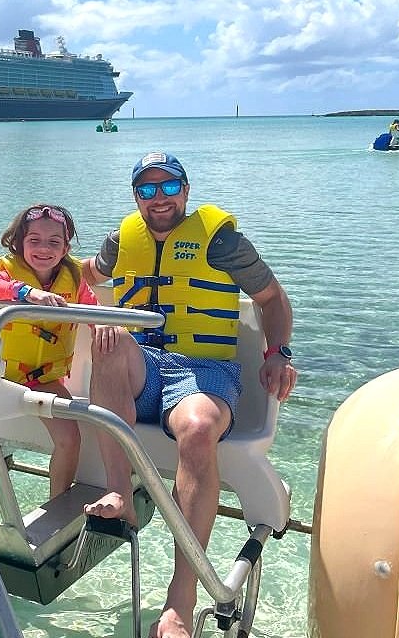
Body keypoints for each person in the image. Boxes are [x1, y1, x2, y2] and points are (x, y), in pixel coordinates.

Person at [81, 152, 297, 638]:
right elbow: (86, 273)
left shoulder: (221, 240)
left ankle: (181, 598)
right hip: (142, 364)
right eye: (147, 190)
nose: (158, 199)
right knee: (109, 341)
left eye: (168, 187)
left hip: (203, 370)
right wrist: (27, 270)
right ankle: (121, 492)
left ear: (186, 189)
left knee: (198, 430)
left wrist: (278, 352)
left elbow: (272, 299)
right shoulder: (122, 240)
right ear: (136, 195)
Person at [0, 203, 116, 508]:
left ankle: (56, 506)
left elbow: (91, 304)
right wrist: (25, 293)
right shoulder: (6, 276)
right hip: (0, 376)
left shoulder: (73, 278)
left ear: (66, 247)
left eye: (53, 242)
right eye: (35, 241)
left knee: (70, 438)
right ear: (19, 244)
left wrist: (103, 322)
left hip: (44, 379)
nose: (44, 248)